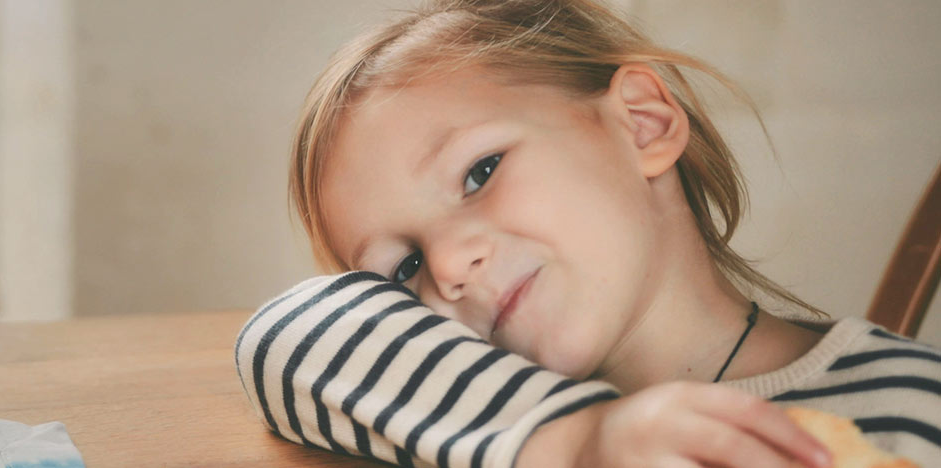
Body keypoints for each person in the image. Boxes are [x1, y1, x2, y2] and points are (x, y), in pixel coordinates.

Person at [234, 0, 941, 467]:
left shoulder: (908, 412)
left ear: (642, 123)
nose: (448, 264)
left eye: (480, 172)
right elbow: (284, 334)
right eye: (402, 268)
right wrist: (578, 442)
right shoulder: (462, 421)